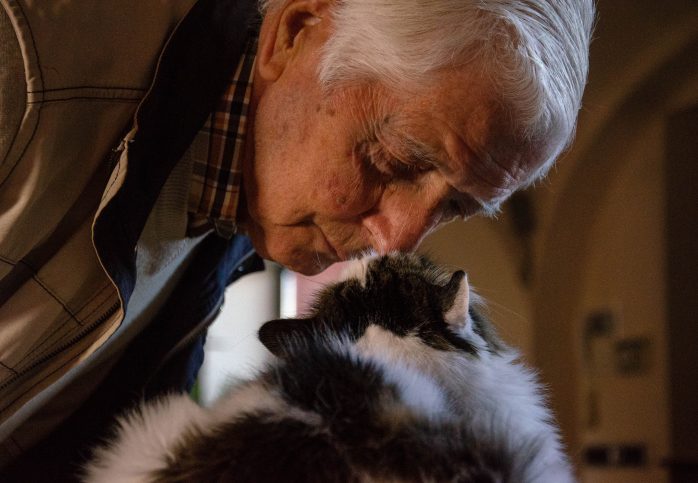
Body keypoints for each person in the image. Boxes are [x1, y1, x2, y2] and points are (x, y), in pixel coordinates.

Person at [0, 0, 594, 479]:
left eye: (456, 206)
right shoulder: (24, 59)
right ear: (295, 32)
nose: (397, 240)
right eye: (395, 161)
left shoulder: (240, 201)